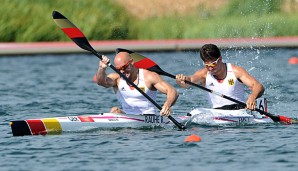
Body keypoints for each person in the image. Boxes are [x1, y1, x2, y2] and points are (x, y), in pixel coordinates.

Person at [176, 44, 264, 110]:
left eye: (213, 63)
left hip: (238, 110)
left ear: (220, 59)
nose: (210, 67)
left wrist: (252, 97)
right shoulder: (203, 74)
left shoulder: (236, 71)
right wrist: (182, 80)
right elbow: (189, 81)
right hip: (217, 113)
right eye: (206, 64)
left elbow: (258, 86)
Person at [96, 51, 179, 116]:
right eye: (118, 69)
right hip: (127, 117)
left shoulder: (149, 77)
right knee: (115, 110)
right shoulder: (117, 79)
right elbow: (101, 82)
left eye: (124, 67)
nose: (122, 71)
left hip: (149, 118)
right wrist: (101, 68)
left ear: (131, 62)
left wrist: (167, 105)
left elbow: (172, 91)